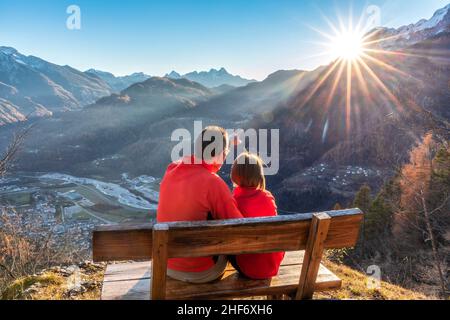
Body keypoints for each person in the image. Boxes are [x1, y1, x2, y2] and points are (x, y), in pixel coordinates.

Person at [157, 126, 243, 283]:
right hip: (201, 272)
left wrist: (226, 142)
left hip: (166, 265)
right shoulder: (213, 183)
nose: (225, 159)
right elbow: (239, 227)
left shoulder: (172, 168)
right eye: (225, 154)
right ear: (221, 154)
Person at [228, 152, 285, 279]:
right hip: (272, 265)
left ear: (234, 175)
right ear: (259, 175)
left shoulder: (233, 202)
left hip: (248, 268)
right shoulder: (268, 197)